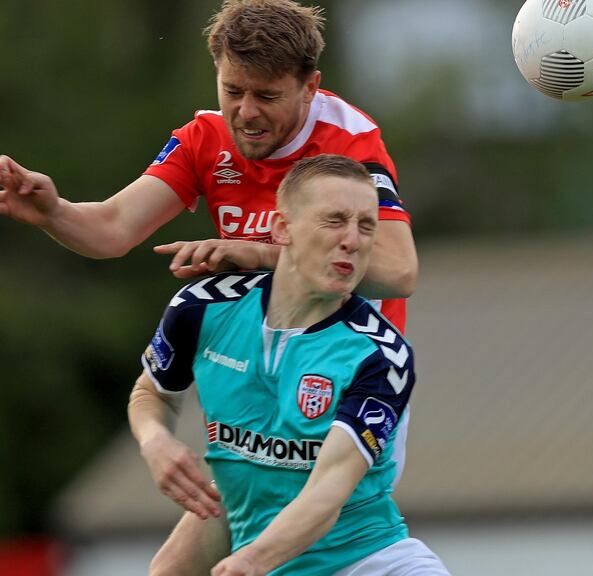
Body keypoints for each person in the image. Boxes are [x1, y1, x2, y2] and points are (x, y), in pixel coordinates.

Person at [0, 0, 417, 333]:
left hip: (352, 368)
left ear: (310, 87)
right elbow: (111, 229)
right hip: (256, 368)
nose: (245, 113)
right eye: (232, 90)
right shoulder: (204, 138)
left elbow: (399, 273)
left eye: (266, 96)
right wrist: (55, 212)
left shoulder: (351, 143)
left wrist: (262, 256)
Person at [129, 155, 449, 576]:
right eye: (334, 221)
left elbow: (327, 492)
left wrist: (247, 562)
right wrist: (155, 441)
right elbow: (151, 393)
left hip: (368, 563)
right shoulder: (202, 308)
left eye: (366, 225)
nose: (352, 240)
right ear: (283, 230)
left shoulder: (381, 356)